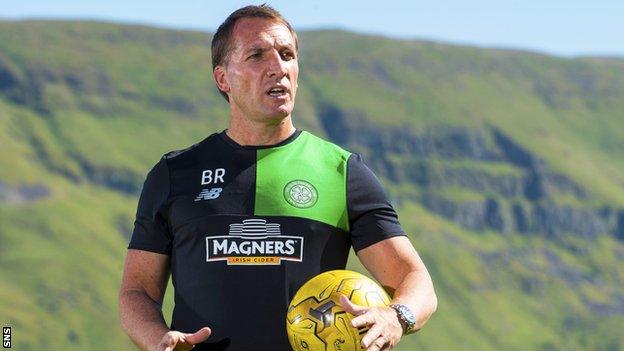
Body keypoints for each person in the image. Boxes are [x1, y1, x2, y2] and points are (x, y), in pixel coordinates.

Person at [119, 4, 437, 351]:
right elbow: (137, 292)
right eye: (257, 55)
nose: (278, 68)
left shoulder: (342, 171)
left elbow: (413, 279)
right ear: (223, 78)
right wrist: (157, 340)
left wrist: (396, 316)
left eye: (287, 55)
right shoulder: (175, 173)